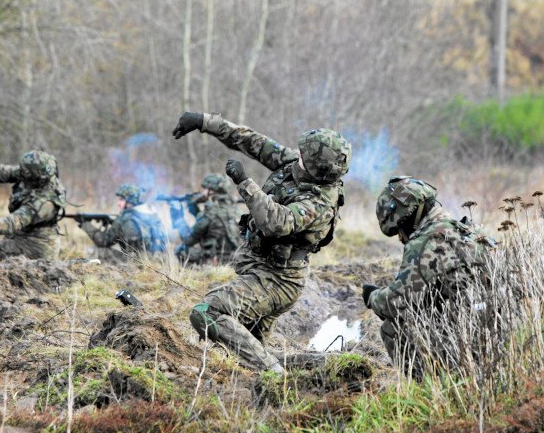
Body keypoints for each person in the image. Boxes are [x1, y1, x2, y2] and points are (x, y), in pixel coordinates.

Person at [173, 111, 351, 373]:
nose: (296, 154)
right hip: (260, 269)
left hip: (278, 280)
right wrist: (204, 122)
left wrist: (245, 183)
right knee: (254, 349)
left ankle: (276, 379)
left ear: (315, 166)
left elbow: (276, 222)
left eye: (303, 154)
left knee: (206, 312)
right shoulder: (296, 164)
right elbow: (253, 142)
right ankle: (320, 367)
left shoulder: (319, 202)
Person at [362, 176, 493, 376]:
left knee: (394, 327)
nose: (399, 237)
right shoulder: (471, 230)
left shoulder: (423, 243)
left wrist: (373, 297)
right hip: (497, 327)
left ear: (407, 219)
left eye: (399, 230)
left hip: (468, 336)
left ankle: (430, 389)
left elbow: (397, 302)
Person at [79, 184, 167, 261]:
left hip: (135, 262)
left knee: (95, 250)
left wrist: (85, 224)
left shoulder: (124, 218)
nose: (118, 203)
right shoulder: (153, 215)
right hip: (156, 260)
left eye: (121, 199)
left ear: (130, 201)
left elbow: (103, 241)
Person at [172, 173, 244, 265]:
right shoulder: (237, 211)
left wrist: (178, 219)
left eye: (204, 189)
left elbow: (188, 240)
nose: (202, 192)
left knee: (180, 250)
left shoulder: (208, 214)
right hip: (235, 258)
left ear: (211, 191)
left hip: (214, 261)